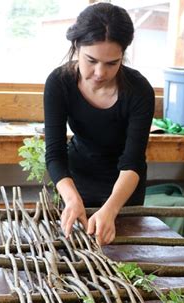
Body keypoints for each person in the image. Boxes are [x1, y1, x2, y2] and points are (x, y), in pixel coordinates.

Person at [44, 3, 155, 245]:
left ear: (123, 56)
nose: (99, 72)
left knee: (122, 259)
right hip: (76, 181)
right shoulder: (59, 83)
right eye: (91, 60)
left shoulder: (139, 91)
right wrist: (72, 199)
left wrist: (112, 209)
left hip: (124, 189)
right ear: (76, 47)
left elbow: (133, 161)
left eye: (111, 63)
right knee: (74, 257)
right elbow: (54, 153)